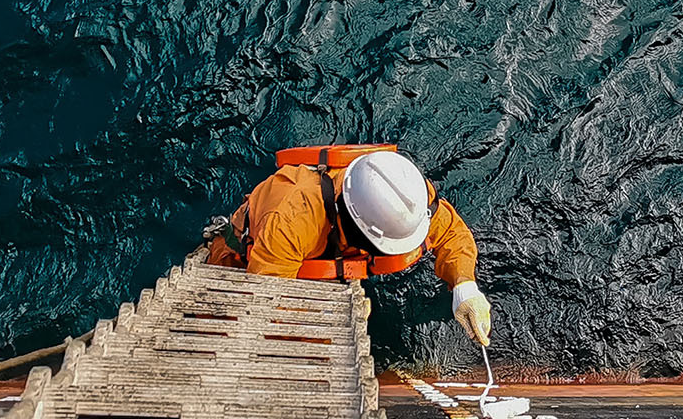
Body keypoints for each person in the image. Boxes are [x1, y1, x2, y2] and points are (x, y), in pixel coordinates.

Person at [204, 144, 491, 346]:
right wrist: (330, 319)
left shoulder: (408, 197)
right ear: (358, 232)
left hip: (319, 251)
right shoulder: (293, 219)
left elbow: (452, 232)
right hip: (252, 259)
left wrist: (464, 286)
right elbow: (267, 307)